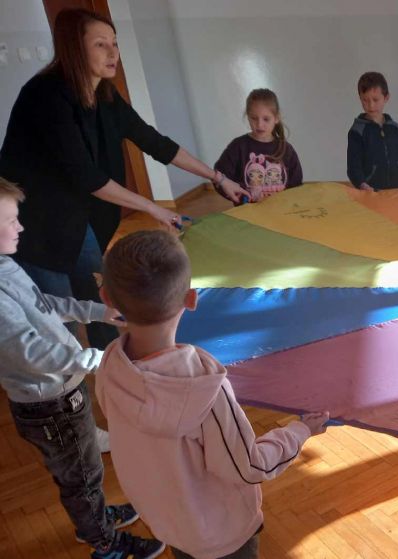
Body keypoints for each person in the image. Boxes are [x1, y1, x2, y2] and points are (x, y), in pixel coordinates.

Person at [0, 8, 248, 351]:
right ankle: (68, 387)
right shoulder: (45, 95)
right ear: (75, 48)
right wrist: (155, 209)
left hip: (73, 215)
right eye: (101, 44)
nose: (113, 52)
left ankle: (110, 361)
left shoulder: (105, 94)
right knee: (56, 318)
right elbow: (90, 177)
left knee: (99, 296)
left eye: (114, 43)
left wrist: (219, 178)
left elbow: (153, 142)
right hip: (32, 222)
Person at [96, 230, 330, 559]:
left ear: (106, 297)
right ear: (191, 299)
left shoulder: (110, 364)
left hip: (167, 522)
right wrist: (300, 430)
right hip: (223, 536)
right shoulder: (204, 389)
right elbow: (250, 467)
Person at [0, 177, 165, 559]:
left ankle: (94, 521)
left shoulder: (7, 266)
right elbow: (27, 352)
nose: (21, 226)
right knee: (82, 478)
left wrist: (96, 311)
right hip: (49, 405)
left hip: (62, 392)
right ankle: (105, 544)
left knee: (84, 471)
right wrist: (95, 360)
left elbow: (46, 305)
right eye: (10, 220)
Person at [214, 88, 303, 202]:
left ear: (276, 118)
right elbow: (220, 178)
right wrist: (241, 196)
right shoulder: (238, 146)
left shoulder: (287, 150)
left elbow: (296, 186)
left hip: (281, 213)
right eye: (254, 118)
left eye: (266, 119)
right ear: (248, 116)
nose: (260, 125)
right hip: (247, 214)